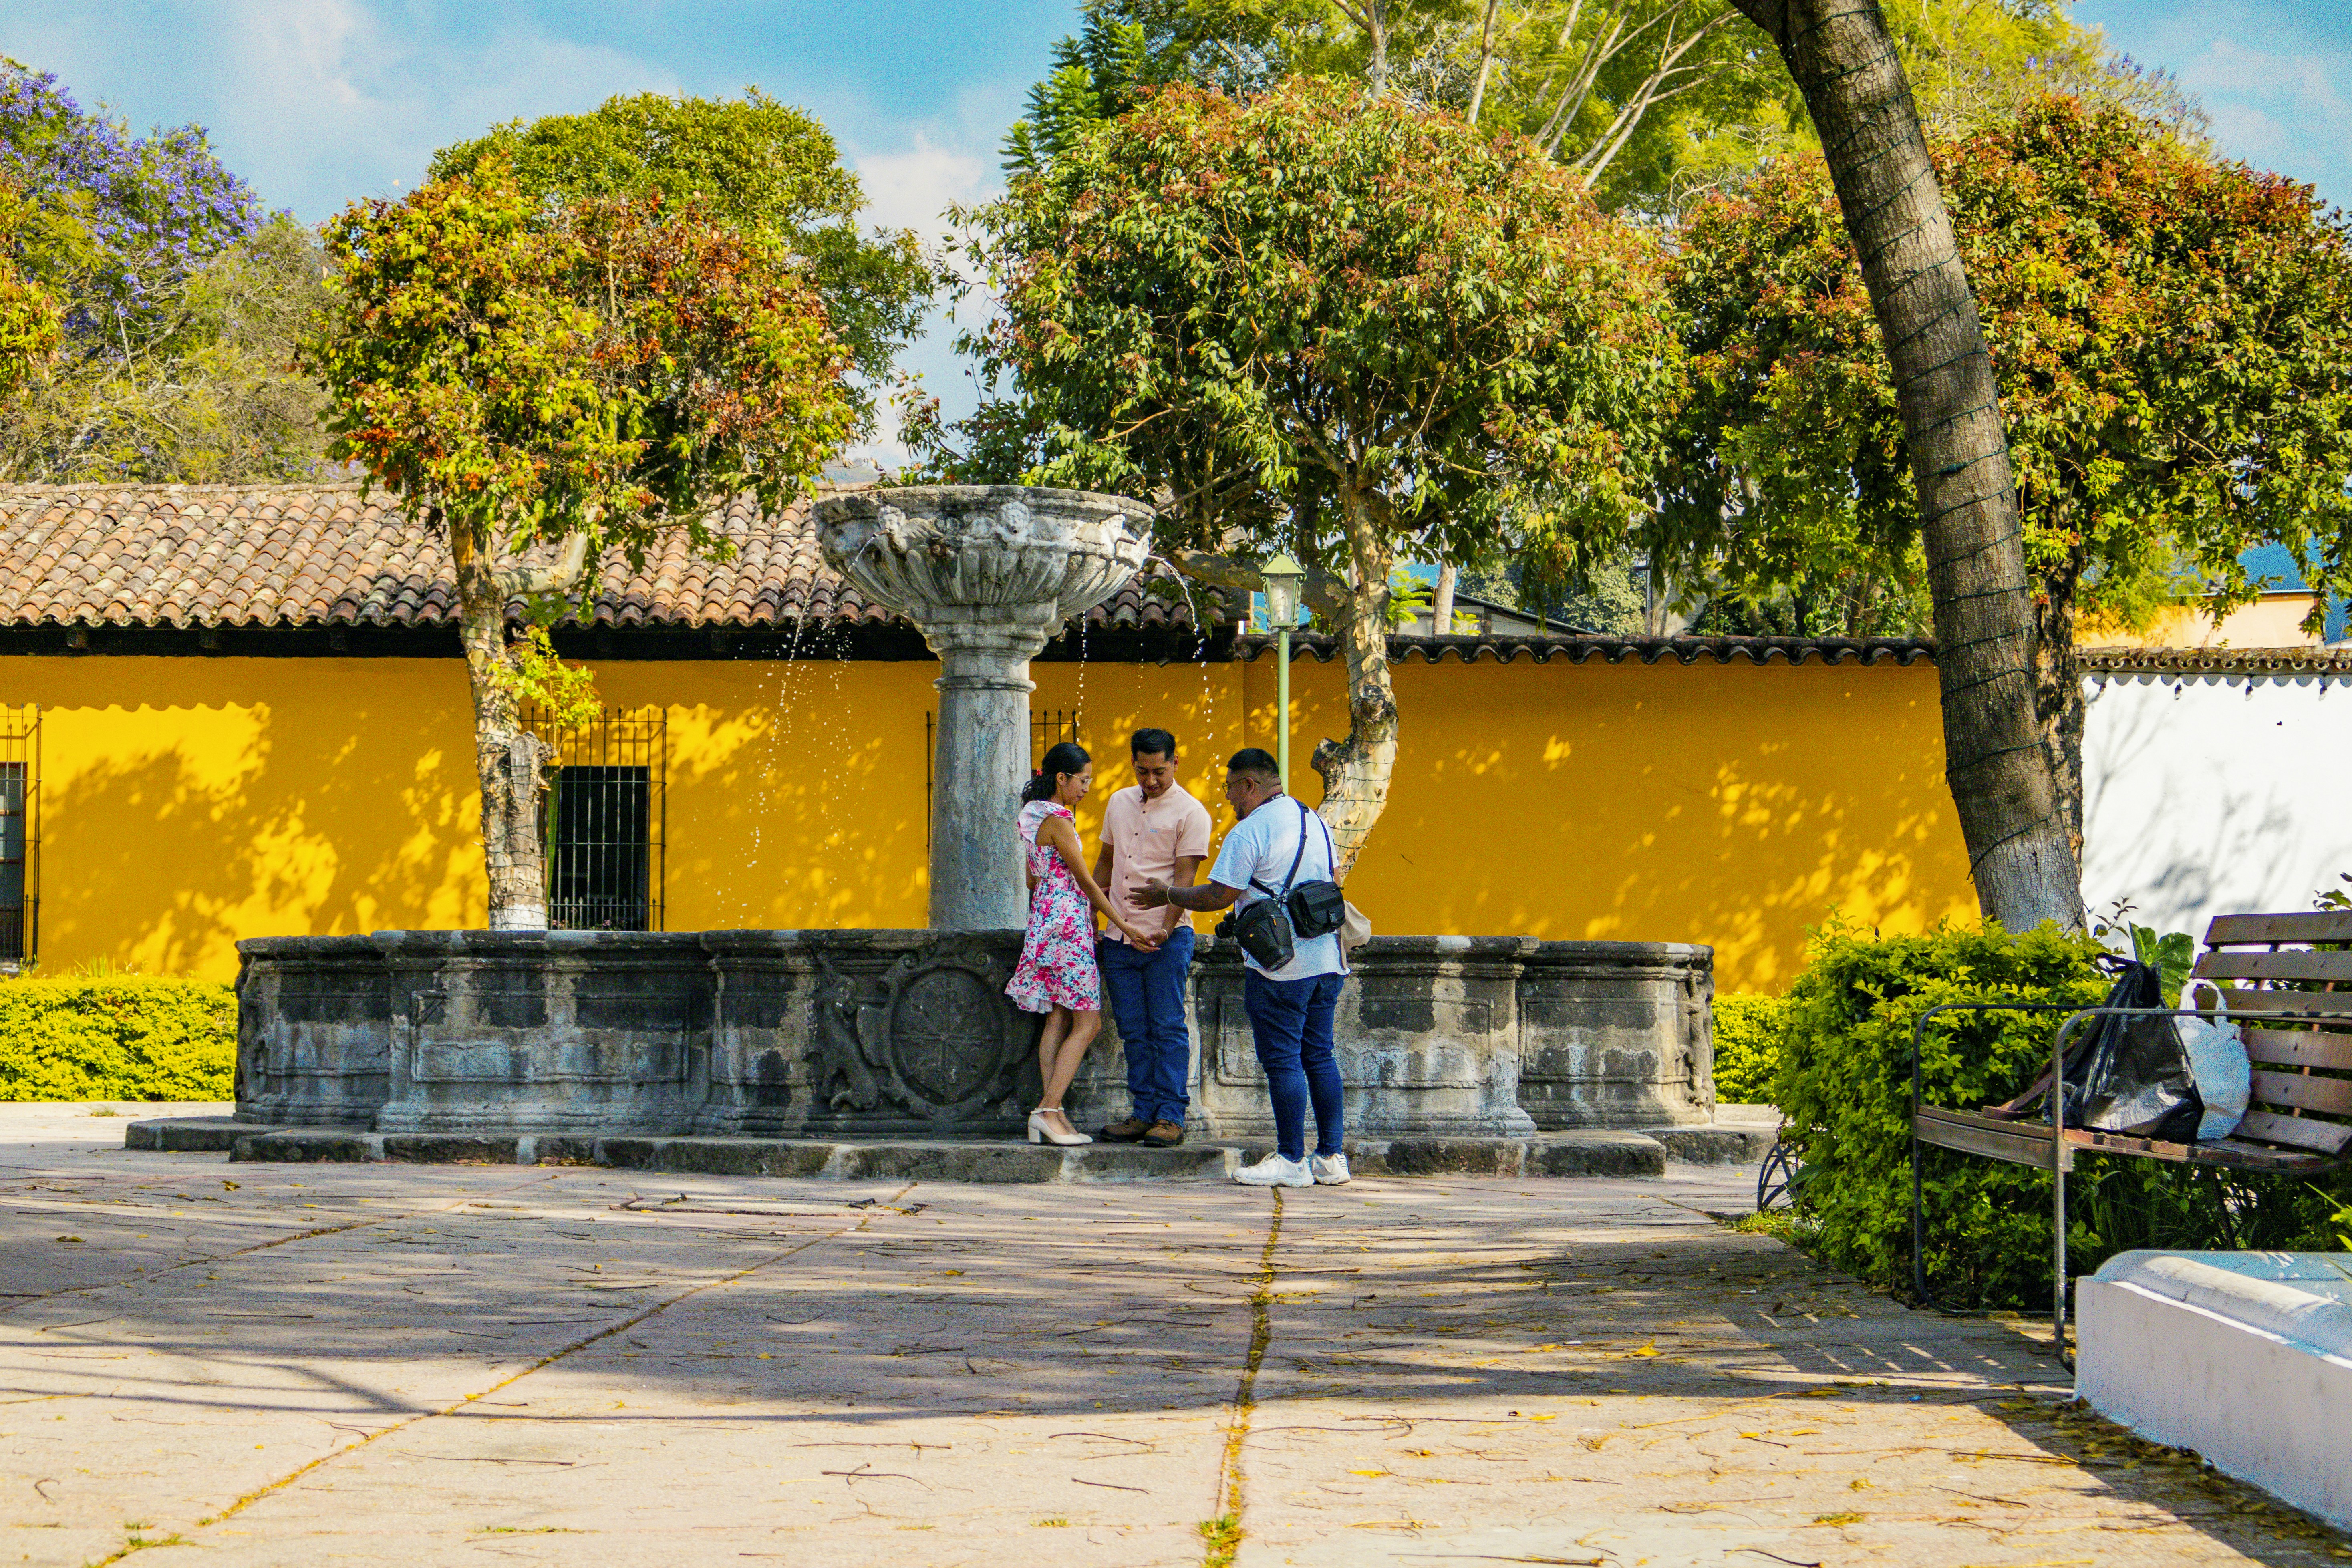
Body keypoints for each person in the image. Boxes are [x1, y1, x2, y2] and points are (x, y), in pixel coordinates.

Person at [1136, 748, 1349, 1188]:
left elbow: (1218, 895)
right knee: (1320, 1057)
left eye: (1230, 787)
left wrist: (1168, 894)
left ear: (1250, 785)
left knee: (1285, 1061)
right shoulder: (1315, 821)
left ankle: (1291, 1160)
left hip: (1281, 967)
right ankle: (1331, 1158)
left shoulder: (1250, 830)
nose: (1228, 797)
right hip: (1328, 957)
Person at [1006, 741, 1158, 1147]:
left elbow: (1031, 880)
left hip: (1043, 920)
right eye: (1083, 780)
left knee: (1058, 1018)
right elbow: (1087, 882)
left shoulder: (1030, 815)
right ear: (1062, 778)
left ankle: (1053, 1115)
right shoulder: (1059, 818)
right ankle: (1047, 1110)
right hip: (1069, 926)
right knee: (1088, 1023)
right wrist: (1127, 927)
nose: (1087, 788)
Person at [1092, 728, 1213, 1148]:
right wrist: (1089, 914)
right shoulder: (1118, 803)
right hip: (1118, 936)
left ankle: (1170, 1116)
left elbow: (1185, 879)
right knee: (1131, 1029)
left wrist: (1166, 926)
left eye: (1159, 771)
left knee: (1166, 1027)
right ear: (1133, 764)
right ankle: (1143, 1112)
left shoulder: (1191, 812)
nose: (1150, 781)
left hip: (1167, 937)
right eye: (1142, 771)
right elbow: (1106, 865)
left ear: (1175, 763)